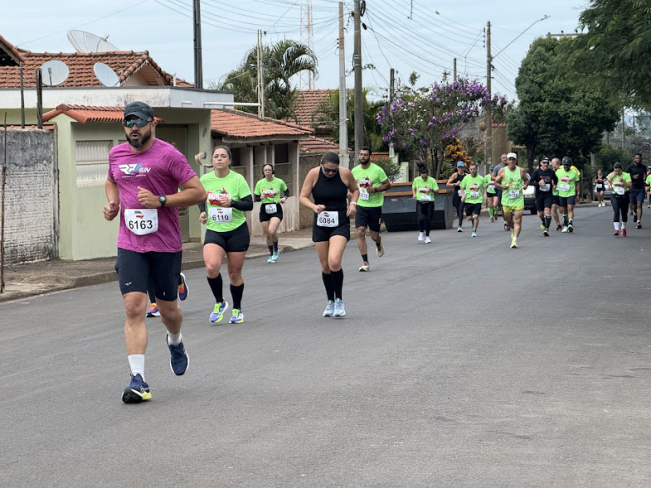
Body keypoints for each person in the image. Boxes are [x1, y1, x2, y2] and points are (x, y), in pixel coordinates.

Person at [104, 101, 206, 404]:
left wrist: (162, 200)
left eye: (139, 122)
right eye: (128, 122)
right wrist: (113, 203)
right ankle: (138, 379)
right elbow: (111, 180)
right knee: (133, 307)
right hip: (130, 243)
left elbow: (198, 192)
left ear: (153, 123)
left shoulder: (169, 155)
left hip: (164, 244)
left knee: (168, 312)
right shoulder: (116, 154)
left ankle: (175, 340)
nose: (133, 127)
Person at [300, 151, 359, 318]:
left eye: (334, 170)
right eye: (327, 170)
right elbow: (303, 197)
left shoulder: (345, 174)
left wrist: (353, 204)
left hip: (340, 222)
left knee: (334, 261)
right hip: (321, 223)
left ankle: (339, 300)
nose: (331, 173)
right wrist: (314, 207)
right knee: (325, 266)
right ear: (321, 164)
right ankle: (330, 301)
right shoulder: (313, 174)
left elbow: (355, 190)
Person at [199, 146, 253, 325]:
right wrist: (203, 212)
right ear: (212, 161)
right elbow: (200, 198)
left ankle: (237, 309)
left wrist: (232, 203)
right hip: (215, 230)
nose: (219, 159)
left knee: (234, 273)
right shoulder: (205, 179)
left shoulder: (237, 179)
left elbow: (249, 204)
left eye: (223, 156)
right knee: (211, 267)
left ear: (229, 160)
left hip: (237, 230)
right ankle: (219, 302)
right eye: (216, 156)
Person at [351, 147, 391, 272]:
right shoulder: (355, 171)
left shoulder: (377, 170)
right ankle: (365, 262)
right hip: (361, 205)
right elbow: (351, 186)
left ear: (370, 157)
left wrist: (375, 190)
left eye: (365, 155)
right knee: (360, 232)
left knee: (374, 236)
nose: (363, 156)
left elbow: (387, 184)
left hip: (375, 206)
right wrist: (350, 194)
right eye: (361, 154)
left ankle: (378, 243)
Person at [254, 163, 288, 263]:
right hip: (264, 208)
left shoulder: (279, 181)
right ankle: (271, 253)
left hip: (276, 207)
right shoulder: (260, 183)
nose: (268, 172)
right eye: (266, 170)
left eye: (269, 170)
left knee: (272, 230)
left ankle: (276, 250)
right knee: (267, 234)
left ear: (272, 171)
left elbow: (286, 191)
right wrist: (260, 197)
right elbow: (256, 197)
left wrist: (284, 198)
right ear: (263, 172)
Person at [494, 152, 529, 248]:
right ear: (507, 161)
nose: (511, 161)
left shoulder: (521, 171)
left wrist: (525, 185)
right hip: (507, 200)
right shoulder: (502, 171)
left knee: (518, 220)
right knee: (509, 221)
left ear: (516, 161)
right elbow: (495, 182)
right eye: (510, 159)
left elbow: (526, 180)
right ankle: (513, 229)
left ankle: (514, 240)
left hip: (518, 199)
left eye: (513, 159)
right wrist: (501, 186)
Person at [530, 157, 558, 236]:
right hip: (539, 194)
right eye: (544, 163)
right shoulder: (537, 172)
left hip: (548, 194)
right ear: (541, 163)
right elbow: (530, 182)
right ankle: (543, 221)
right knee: (540, 213)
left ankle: (546, 229)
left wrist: (555, 184)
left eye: (547, 163)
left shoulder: (551, 172)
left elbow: (556, 179)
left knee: (547, 210)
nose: (546, 164)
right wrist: (538, 183)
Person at [412, 164, 439, 243]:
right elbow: (413, 187)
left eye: (425, 177)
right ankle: (421, 231)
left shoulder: (432, 180)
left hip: (429, 202)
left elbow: (437, 191)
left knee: (428, 219)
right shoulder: (416, 180)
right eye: (422, 177)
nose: (424, 178)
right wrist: (414, 194)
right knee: (420, 218)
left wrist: (431, 190)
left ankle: (427, 236)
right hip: (420, 202)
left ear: (427, 175)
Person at [459, 163, 485, 237]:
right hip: (469, 200)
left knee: (476, 216)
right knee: (469, 218)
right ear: (469, 170)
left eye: (474, 169)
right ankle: (473, 221)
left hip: (478, 200)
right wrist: (463, 195)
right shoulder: (466, 178)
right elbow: (461, 187)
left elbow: (484, 186)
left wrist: (485, 194)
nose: (472, 170)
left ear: (476, 170)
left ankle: (474, 230)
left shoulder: (481, 178)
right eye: (471, 169)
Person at [556, 157, 580, 233]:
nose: (566, 166)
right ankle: (566, 224)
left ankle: (570, 223)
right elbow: (554, 180)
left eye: (567, 165)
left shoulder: (574, 172)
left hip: (571, 193)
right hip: (562, 193)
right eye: (565, 165)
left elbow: (577, 183)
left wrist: (577, 194)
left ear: (570, 165)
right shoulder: (558, 172)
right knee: (564, 210)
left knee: (570, 208)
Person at [608, 162, 632, 236]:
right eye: (615, 170)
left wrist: (623, 181)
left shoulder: (626, 175)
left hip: (624, 195)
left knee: (624, 213)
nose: (617, 172)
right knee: (616, 211)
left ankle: (623, 228)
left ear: (621, 169)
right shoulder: (611, 175)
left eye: (618, 170)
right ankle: (616, 229)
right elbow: (608, 181)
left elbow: (630, 185)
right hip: (615, 195)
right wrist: (610, 185)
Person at [625, 154, 646, 228]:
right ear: (634, 159)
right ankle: (635, 213)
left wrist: (644, 178)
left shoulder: (643, 167)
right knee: (634, 204)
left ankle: (638, 221)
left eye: (639, 158)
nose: (638, 159)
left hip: (641, 188)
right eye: (637, 158)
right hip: (632, 188)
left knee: (639, 204)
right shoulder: (630, 167)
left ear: (641, 159)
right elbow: (625, 176)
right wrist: (632, 177)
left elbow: (645, 175)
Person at [447, 161, 468, 232]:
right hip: (456, 193)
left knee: (461, 209)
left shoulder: (466, 176)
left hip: (464, 194)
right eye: (459, 167)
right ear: (457, 168)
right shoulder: (455, 175)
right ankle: (460, 220)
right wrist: (455, 184)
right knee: (457, 209)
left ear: (464, 168)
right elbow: (448, 184)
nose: (460, 169)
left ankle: (459, 225)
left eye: (462, 167)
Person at [492, 153, 507, 225]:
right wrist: (498, 179)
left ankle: (509, 219)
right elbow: (492, 177)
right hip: (500, 189)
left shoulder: (512, 167)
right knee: (503, 207)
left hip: (510, 189)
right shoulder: (498, 168)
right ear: (501, 159)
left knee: (510, 207)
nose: (505, 159)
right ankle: (505, 221)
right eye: (503, 158)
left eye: (506, 158)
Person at [550, 158, 563, 231]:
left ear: (558, 164)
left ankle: (566, 221)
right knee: (553, 208)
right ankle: (558, 224)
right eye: (552, 164)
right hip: (554, 193)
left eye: (554, 163)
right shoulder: (551, 172)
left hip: (562, 193)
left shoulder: (562, 171)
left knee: (562, 210)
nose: (553, 165)